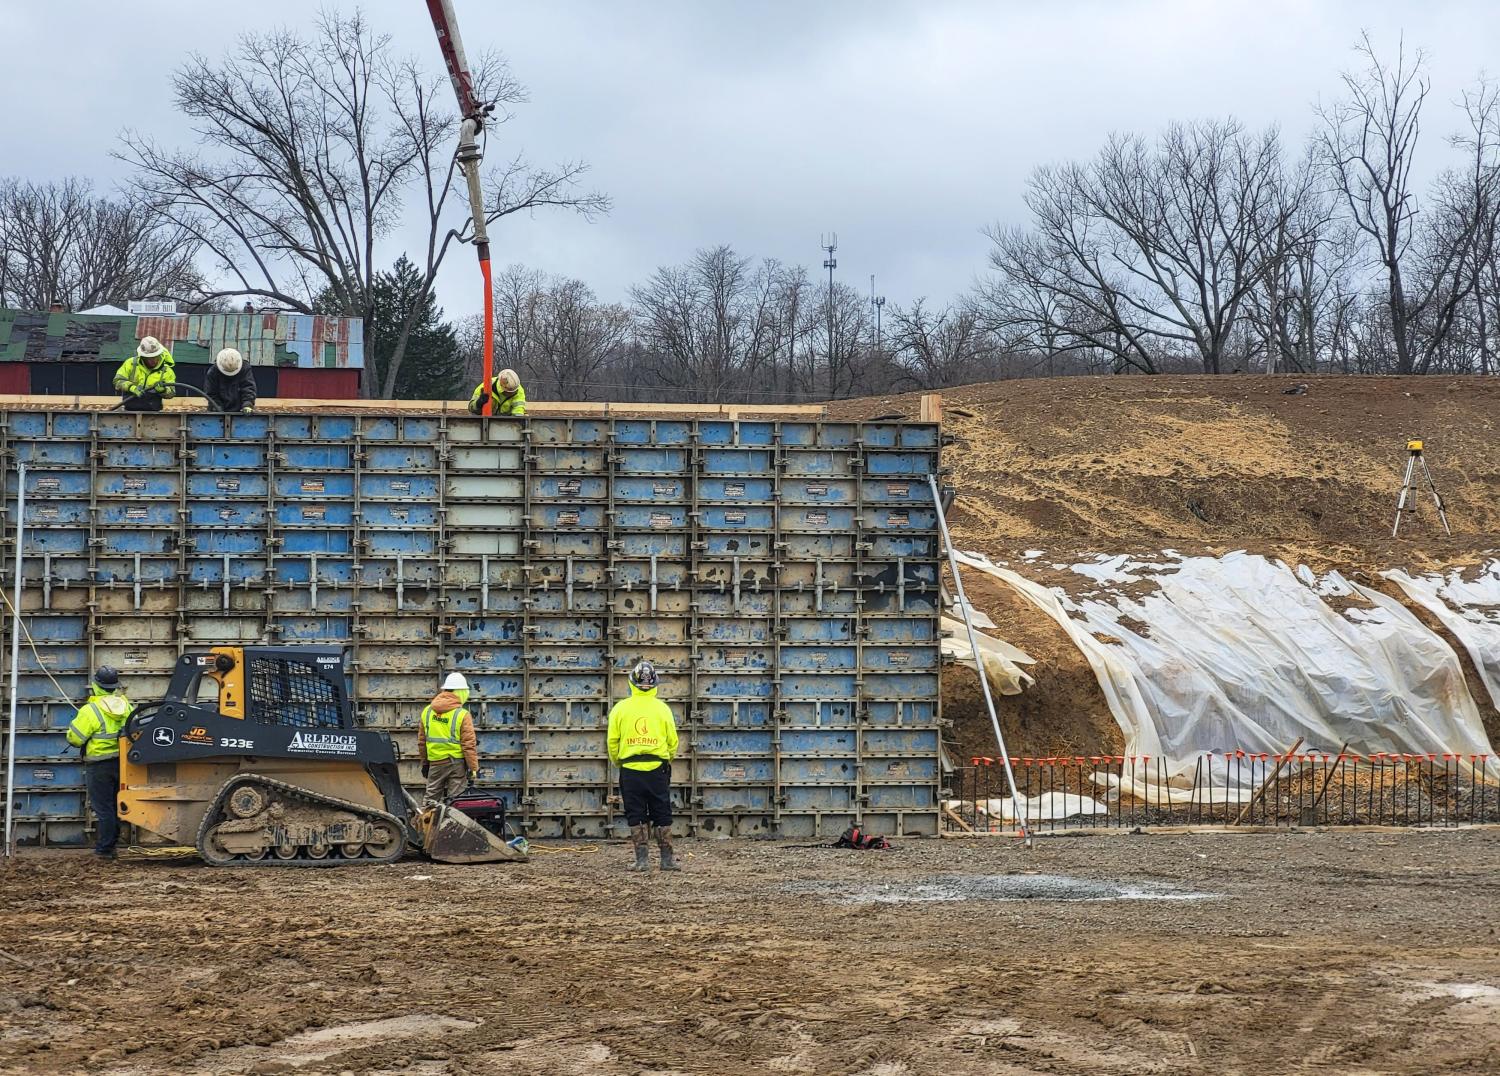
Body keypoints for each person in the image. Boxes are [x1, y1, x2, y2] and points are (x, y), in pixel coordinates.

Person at [607, 660, 680, 872]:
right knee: (662, 811)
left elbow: (613, 742)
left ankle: (642, 861)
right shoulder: (663, 709)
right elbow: (672, 741)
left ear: (631, 683)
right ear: (655, 684)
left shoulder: (620, 709)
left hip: (630, 769)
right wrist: (665, 760)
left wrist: (619, 762)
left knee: (635, 813)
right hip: (657, 768)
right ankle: (666, 860)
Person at [65, 667, 134, 859]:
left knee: (103, 809)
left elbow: (75, 739)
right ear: (115, 686)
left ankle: (105, 850)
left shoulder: (91, 710)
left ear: (95, 685)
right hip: (122, 764)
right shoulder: (126, 705)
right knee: (114, 805)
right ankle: (111, 844)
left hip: (99, 765)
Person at [419, 672, 478, 805]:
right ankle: (451, 826)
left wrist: (425, 763)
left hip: (435, 763)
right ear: (460, 692)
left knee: (430, 801)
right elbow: (469, 745)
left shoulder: (427, 711)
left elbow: (422, 742)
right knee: (456, 802)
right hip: (456, 765)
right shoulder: (462, 714)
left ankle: (424, 825)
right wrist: (473, 767)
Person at [113, 336, 176, 412]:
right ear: (142, 356)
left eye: (155, 357)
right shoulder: (131, 364)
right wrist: (131, 387)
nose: (153, 360)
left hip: (154, 413)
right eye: (149, 358)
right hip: (129, 410)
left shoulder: (166, 371)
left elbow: (171, 393)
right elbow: (117, 381)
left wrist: (163, 390)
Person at [204, 348, 258, 413]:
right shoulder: (213, 372)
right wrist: (217, 406)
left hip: (241, 409)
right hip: (218, 409)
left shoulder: (245, 368)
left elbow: (248, 388)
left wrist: (247, 404)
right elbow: (211, 393)